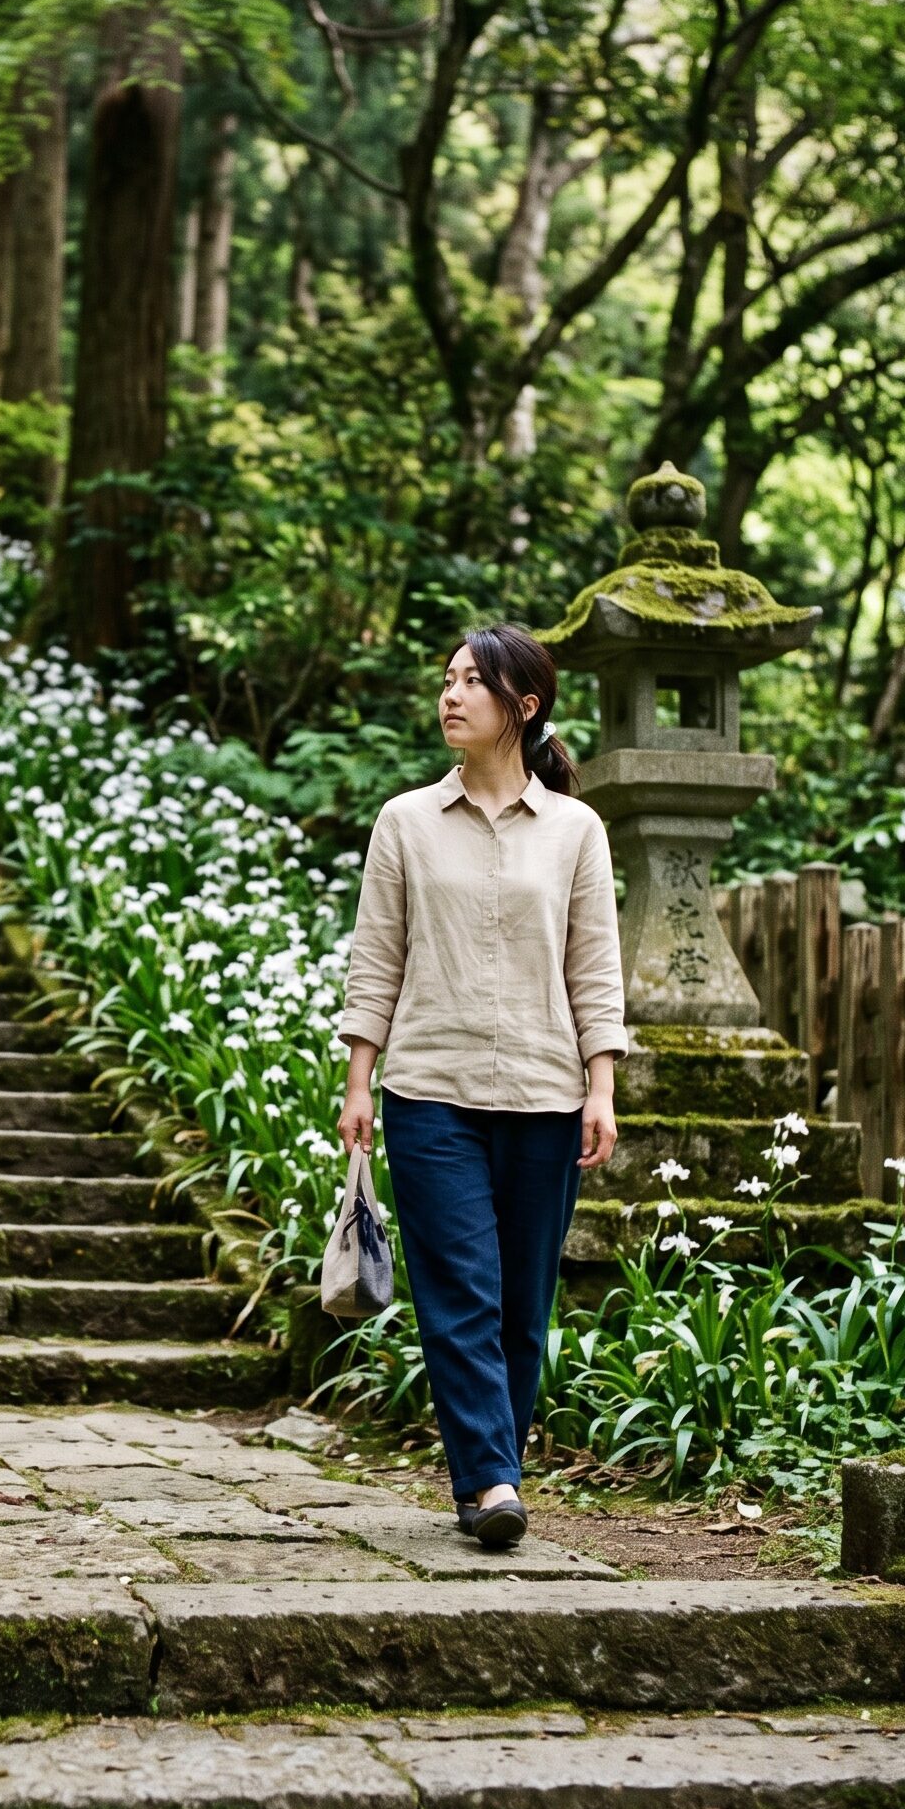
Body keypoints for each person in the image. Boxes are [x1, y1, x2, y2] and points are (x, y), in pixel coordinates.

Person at [335, 624, 627, 1548]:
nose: (450, 696)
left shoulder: (577, 831)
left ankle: (489, 1472)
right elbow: (376, 957)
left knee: (521, 1304)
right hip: (431, 1091)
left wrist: (602, 1084)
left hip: (545, 1095)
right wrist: (358, 1080)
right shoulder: (405, 822)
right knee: (460, 1288)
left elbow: (595, 965)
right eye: (447, 679)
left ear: (523, 706)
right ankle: (492, 1483)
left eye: (472, 683)